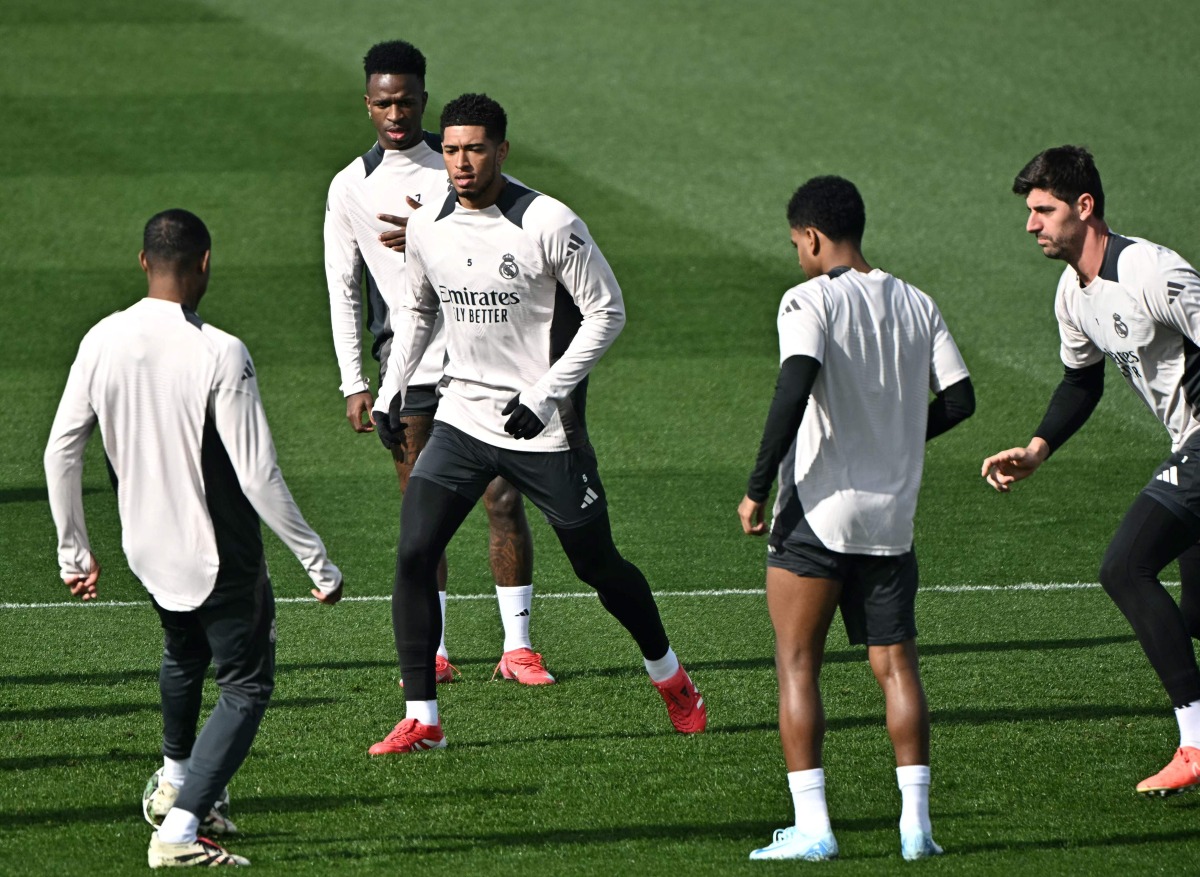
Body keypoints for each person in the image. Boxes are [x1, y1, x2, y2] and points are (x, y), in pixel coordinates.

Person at [366, 92, 706, 755]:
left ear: (502, 149)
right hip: (462, 418)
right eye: (454, 150)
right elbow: (416, 310)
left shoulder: (549, 221)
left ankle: (670, 676)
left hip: (543, 430)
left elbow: (608, 311)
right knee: (413, 553)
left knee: (598, 565)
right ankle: (424, 718)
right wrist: (391, 393)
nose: (462, 163)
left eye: (476, 149)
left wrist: (547, 393)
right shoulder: (429, 225)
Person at [44, 209, 344, 868]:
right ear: (205, 263)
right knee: (245, 685)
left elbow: (61, 449)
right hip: (219, 550)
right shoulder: (220, 350)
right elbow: (258, 473)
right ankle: (179, 831)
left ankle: (179, 781)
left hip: (145, 548)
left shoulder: (101, 337)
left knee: (184, 651)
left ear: (143, 261)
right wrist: (317, 561)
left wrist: (75, 550)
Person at [738, 176, 974, 861]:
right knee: (898, 666)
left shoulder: (807, 298)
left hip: (817, 513)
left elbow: (795, 383)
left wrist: (757, 485)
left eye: (795, 244)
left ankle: (814, 828)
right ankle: (916, 827)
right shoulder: (917, 302)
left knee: (797, 664)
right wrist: (897, 435)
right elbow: (960, 400)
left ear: (812, 237)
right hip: (892, 519)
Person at [324, 40, 549, 686]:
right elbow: (343, 286)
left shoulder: (456, 165)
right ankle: (438, 650)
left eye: (408, 101)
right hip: (410, 371)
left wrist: (440, 223)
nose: (397, 114)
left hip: (485, 363)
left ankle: (519, 646)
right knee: (423, 514)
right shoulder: (350, 189)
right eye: (384, 103)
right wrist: (354, 382)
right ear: (367, 105)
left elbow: (518, 226)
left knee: (503, 496)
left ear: (425, 98)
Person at [982, 145, 1200, 797]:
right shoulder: (1073, 294)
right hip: (1189, 443)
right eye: (1029, 211)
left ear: (1084, 207)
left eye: (1043, 210)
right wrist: (1038, 447)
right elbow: (1081, 383)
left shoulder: (1154, 272)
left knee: (1124, 566)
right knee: (1193, 620)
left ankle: (1195, 743)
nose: (1031, 225)